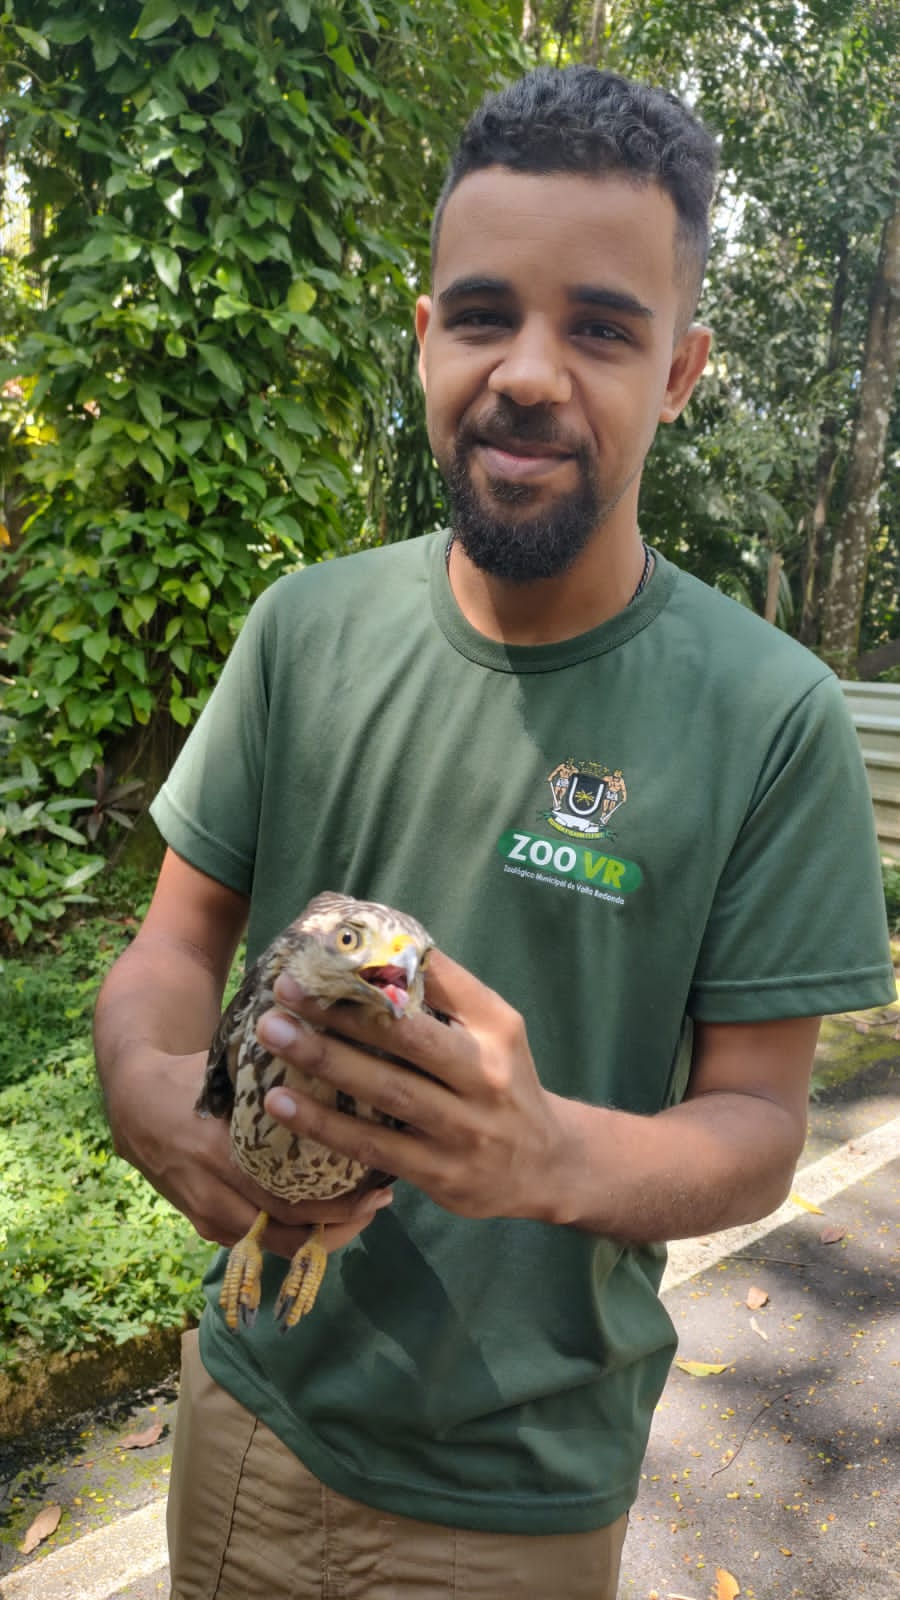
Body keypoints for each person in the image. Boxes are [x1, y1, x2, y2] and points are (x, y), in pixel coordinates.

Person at [94, 65, 894, 1600]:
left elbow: (758, 1129)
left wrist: (541, 1154)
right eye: (481, 315)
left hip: (517, 1501)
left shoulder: (770, 714)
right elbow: (175, 945)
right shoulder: (304, 632)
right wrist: (144, 1084)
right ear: (424, 339)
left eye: (601, 328)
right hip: (246, 1411)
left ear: (680, 370)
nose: (528, 371)